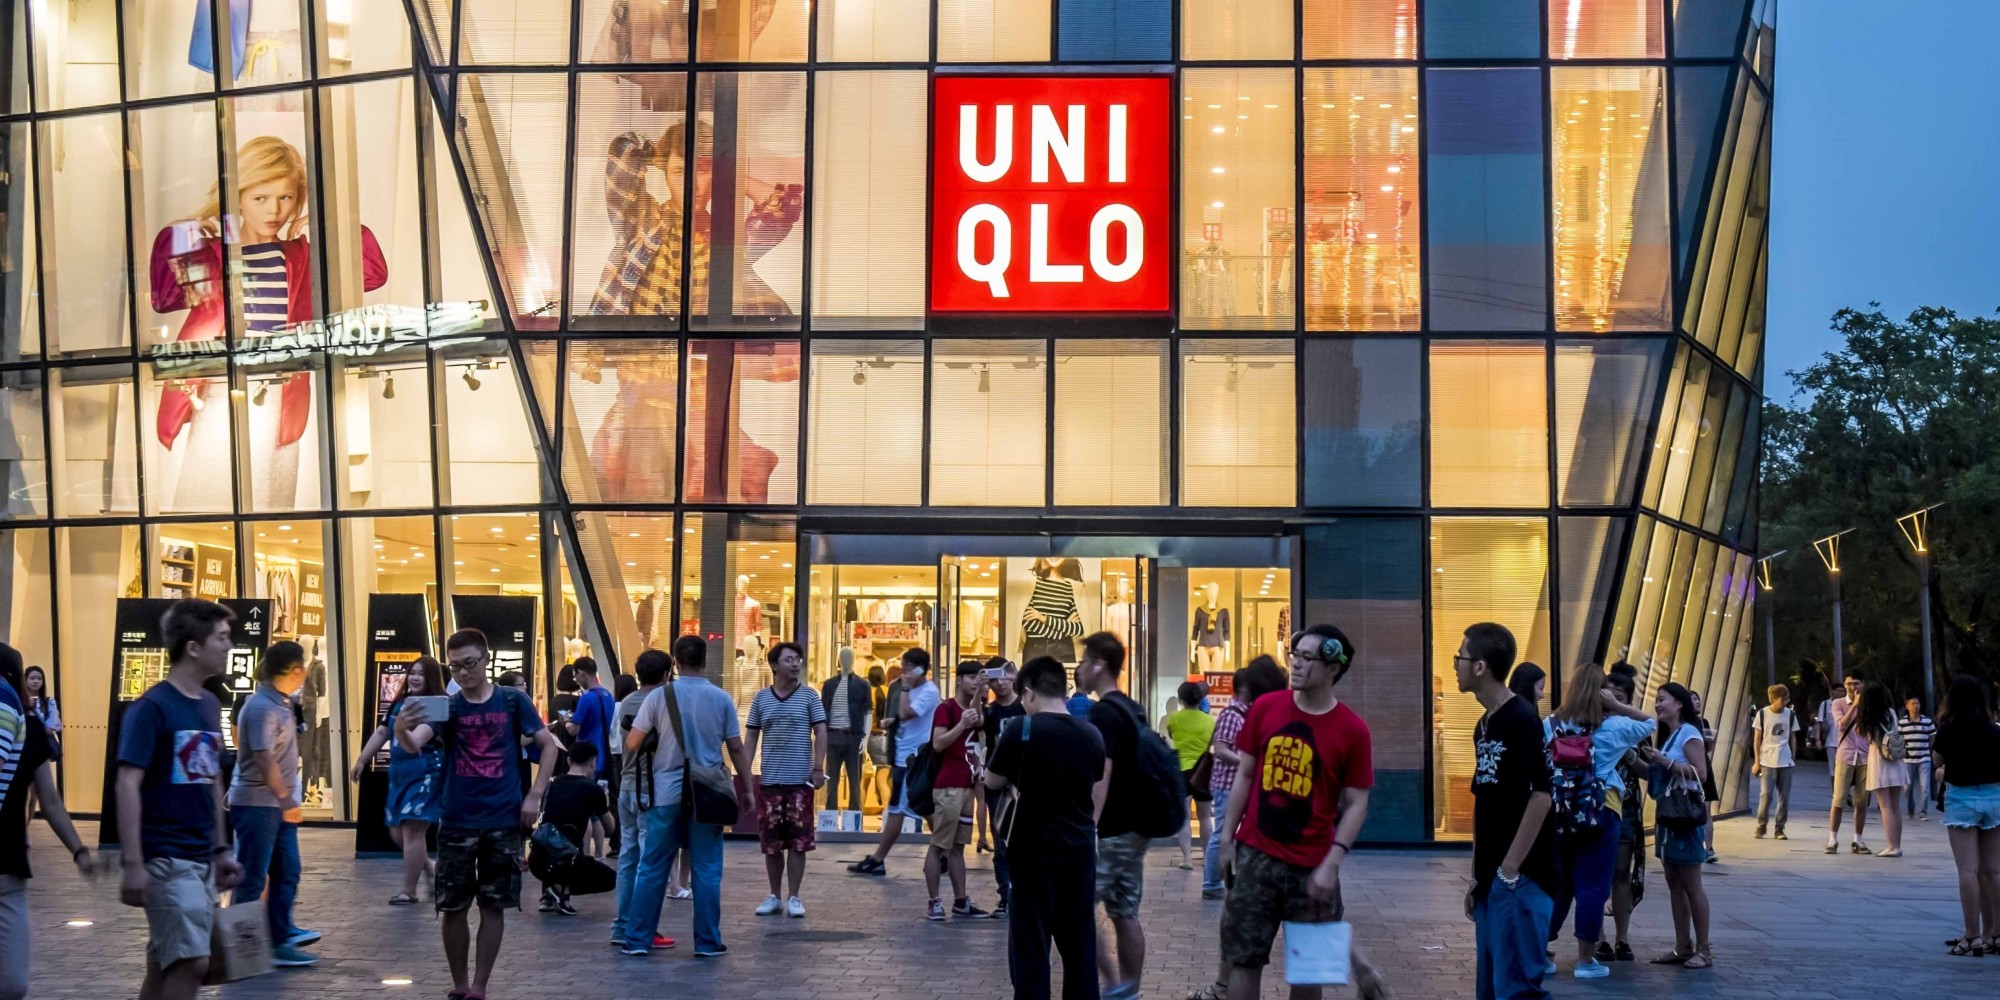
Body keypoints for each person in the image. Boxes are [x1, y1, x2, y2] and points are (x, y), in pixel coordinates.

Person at [1214, 625, 1384, 1000]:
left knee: (1310, 971)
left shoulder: (1353, 731)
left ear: (1333, 670)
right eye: (1295, 655)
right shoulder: (1266, 708)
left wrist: (1333, 862)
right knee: (1243, 959)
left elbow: (1357, 802)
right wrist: (1227, 837)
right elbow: (1244, 773)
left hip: (1314, 867)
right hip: (1256, 856)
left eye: (1308, 658)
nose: (1297, 664)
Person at [395, 628, 562, 1000]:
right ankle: (460, 983)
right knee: (452, 906)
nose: (463, 673)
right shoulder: (447, 705)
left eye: (469, 664)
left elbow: (548, 746)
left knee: (494, 904)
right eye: (454, 667)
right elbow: (414, 744)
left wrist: (535, 795)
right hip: (456, 818)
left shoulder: (512, 701)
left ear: (486, 660)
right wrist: (401, 728)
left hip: (502, 818)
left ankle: (480, 985)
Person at [114, 600, 245, 1000]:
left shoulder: (207, 705)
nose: (228, 647)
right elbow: (127, 784)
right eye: (221, 638)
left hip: (200, 858)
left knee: (166, 964)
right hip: (166, 859)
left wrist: (221, 849)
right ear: (192, 647)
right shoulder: (151, 709)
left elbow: (209, 779)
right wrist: (134, 864)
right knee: (192, 964)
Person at [621, 634, 756, 958]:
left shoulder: (659, 697)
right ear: (705, 660)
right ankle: (707, 942)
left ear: (675, 663)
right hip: (707, 792)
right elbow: (736, 747)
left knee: (652, 865)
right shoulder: (721, 698)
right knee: (707, 868)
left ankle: (638, 939)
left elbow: (633, 742)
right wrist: (748, 788)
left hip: (666, 791)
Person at [987, 656, 1107, 1000]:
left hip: (1030, 851)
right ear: (1064, 690)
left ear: (1028, 693)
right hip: (1079, 852)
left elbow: (993, 781)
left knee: (1030, 947)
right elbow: (1095, 778)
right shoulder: (1091, 735)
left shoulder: (1021, 730)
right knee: (1079, 945)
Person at [1452, 622, 1558, 1000]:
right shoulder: (1484, 724)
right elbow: (1485, 800)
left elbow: (1541, 796)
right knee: (1491, 987)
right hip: (1492, 879)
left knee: (1516, 989)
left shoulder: (1521, 718)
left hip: (1520, 877)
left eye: (1459, 658)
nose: (1455, 665)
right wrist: (1477, 876)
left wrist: (1509, 871)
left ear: (1480, 667)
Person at [1540, 663, 1657, 981]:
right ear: (1601, 692)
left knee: (1559, 884)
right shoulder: (1615, 725)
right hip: (1601, 811)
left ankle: (1542, 952)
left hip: (1561, 813)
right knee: (1592, 886)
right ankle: (1585, 960)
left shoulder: (1550, 724)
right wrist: (1618, 705)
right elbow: (1650, 722)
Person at [1, 644, 99, 1000]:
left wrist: (77, 849)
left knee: (13, 984)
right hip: (10, 868)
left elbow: (50, 799)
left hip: (9, 867)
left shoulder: (30, 729)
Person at [227, 641, 318, 967]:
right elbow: (264, 757)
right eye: (302, 668)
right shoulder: (262, 706)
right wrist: (284, 798)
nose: (304, 674)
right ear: (295, 670)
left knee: (287, 870)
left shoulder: (282, 703)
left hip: (275, 806)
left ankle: (279, 937)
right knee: (252, 876)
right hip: (258, 804)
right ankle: (242, 948)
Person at [1080, 631, 1149, 1000]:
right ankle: (1129, 990)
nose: (1079, 668)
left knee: (1078, 908)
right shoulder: (1132, 707)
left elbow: (1102, 776)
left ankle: (1114, 985)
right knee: (1124, 910)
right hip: (1136, 826)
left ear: (1098, 665)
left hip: (1113, 830)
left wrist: (1089, 826)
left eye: (1084, 660)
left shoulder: (1103, 712)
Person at [351, 655, 446, 905]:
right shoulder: (400, 703)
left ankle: (409, 890)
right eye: (412, 672)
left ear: (432, 678)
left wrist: (404, 730)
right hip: (399, 775)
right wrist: (362, 760)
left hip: (424, 775)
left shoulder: (438, 705)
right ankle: (430, 867)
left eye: (421, 674)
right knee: (396, 832)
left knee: (413, 831)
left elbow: (416, 741)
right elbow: (383, 731)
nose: (415, 678)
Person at [746, 641, 827, 918]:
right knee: (771, 843)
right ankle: (774, 895)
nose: (795, 665)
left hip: (799, 783)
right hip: (770, 781)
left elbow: (821, 731)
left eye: (798, 660)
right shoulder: (761, 699)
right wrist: (745, 770)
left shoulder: (809, 697)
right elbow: (752, 736)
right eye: (789, 660)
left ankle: (794, 896)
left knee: (798, 841)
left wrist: (817, 767)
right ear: (774, 665)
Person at [849, 648, 941, 877]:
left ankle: (879, 858)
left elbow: (908, 712)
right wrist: (894, 720)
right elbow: (904, 716)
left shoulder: (928, 691)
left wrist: (906, 688)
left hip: (914, 760)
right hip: (904, 757)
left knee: (899, 809)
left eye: (908, 667)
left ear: (920, 669)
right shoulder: (908, 689)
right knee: (919, 807)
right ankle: (946, 852)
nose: (903, 672)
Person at [610, 649, 674, 950]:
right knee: (649, 862)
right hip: (650, 789)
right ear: (665, 675)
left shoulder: (625, 704)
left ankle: (622, 925)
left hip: (625, 785)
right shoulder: (662, 702)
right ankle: (643, 927)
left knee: (628, 857)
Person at [1934, 674, 2000, 956]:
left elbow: (1937, 762)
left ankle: (1971, 936)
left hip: (1962, 799)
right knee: (1995, 870)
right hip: (1995, 798)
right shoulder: (1996, 730)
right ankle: (1996, 934)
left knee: (1968, 871)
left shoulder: (1948, 729)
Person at [1649, 683, 1713, 969]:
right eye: (1656, 699)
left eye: (1662, 699)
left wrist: (1667, 763)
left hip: (1685, 817)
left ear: (1679, 703)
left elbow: (1701, 773)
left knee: (1691, 883)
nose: (1657, 704)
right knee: (1674, 881)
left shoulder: (1688, 732)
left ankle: (1704, 949)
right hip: (1669, 815)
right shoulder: (1670, 735)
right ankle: (1682, 946)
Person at [923, 662, 989, 920]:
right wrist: (961, 725)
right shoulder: (945, 708)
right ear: (959, 679)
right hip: (948, 786)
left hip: (968, 785)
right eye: (971, 677)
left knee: (959, 847)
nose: (975, 681)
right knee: (939, 844)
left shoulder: (973, 709)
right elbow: (938, 743)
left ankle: (960, 900)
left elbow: (979, 719)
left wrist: (980, 694)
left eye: (978, 678)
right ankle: (934, 900)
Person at [532, 742, 615, 916]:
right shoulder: (593, 789)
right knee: (611, 879)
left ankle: (549, 893)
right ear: (593, 762)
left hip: (538, 860)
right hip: (567, 862)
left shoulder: (551, 784)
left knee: (558, 843)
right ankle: (560, 891)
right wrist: (604, 803)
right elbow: (610, 828)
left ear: (569, 761)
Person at [1600, 665, 1646, 962]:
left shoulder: (1635, 728)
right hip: (1597, 804)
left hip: (1626, 806)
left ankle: (1622, 938)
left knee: (1621, 871)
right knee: (1595, 872)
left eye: (1619, 698)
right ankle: (1598, 938)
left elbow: (1648, 769)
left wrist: (1628, 753)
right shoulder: (1592, 724)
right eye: (1609, 697)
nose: (1612, 704)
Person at [982, 657, 1026, 915]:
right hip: (997, 783)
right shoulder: (989, 712)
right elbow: (976, 726)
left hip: (1025, 781)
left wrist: (1016, 675)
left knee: (1025, 840)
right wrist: (978, 688)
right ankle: (1006, 895)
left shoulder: (1025, 706)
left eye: (1004, 676)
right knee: (1001, 842)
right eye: (994, 678)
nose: (1000, 683)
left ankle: (1023, 892)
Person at [566, 658, 615, 860]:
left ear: (581, 673)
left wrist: (566, 722)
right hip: (603, 758)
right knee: (598, 809)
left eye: (576, 675)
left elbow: (574, 729)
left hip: (586, 758)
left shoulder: (587, 699)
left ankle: (584, 854)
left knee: (583, 810)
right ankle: (598, 853)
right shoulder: (607, 695)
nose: (576, 679)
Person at [1166, 682, 1215, 872]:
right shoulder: (1209, 721)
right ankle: (1207, 857)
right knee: (1204, 818)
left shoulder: (1175, 719)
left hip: (1182, 770)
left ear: (1181, 699)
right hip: (1203, 772)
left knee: (1184, 817)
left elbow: (1172, 735)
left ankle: (1187, 858)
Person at [1856, 681, 1907, 857]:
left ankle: (1892, 846)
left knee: (1885, 806)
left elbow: (1866, 737)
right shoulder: (1891, 712)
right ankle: (1897, 845)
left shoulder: (1868, 717)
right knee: (1895, 806)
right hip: (1896, 760)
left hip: (1880, 761)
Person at [821, 647, 873, 818]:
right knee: (832, 780)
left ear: (854, 659)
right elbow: (822, 711)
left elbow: (868, 712)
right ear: (838, 659)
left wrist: (864, 740)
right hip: (833, 735)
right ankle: (830, 817)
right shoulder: (829, 685)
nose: (845, 660)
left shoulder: (862, 684)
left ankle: (854, 818)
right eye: (842, 657)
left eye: (848, 657)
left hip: (853, 737)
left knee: (854, 781)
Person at [1826, 674, 1874, 854]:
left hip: (1865, 756)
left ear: (1862, 684)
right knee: (1838, 799)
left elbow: (1869, 729)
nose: (1852, 687)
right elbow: (1841, 725)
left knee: (1861, 801)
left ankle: (1858, 840)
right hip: (1845, 756)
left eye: (1856, 683)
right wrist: (1855, 705)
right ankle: (1832, 839)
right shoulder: (1838, 703)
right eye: (1848, 684)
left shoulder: (1868, 705)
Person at [1751, 684, 1798, 839]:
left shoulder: (1790, 715)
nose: (1785, 702)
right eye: (1783, 699)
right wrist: (1757, 761)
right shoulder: (1762, 714)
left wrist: (1793, 758)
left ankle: (1779, 828)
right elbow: (1757, 739)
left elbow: (1792, 737)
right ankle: (1761, 825)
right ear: (1776, 699)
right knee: (1766, 794)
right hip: (1767, 760)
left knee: (1784, 796)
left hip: (1785, 761)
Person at [1901, 696, 1937, 821]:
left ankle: (1923, 812)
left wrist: (1928, 749)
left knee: (1925, 786)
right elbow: (1898, 740)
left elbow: (1933, 736)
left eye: (1917, 703)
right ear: (1907, 706)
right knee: (1907, 788)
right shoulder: (1902, 723)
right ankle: (1910, 808)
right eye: (1913, 703)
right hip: (1907, 760)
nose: (1916, 705)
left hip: (1924, 758)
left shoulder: (1927, 721)